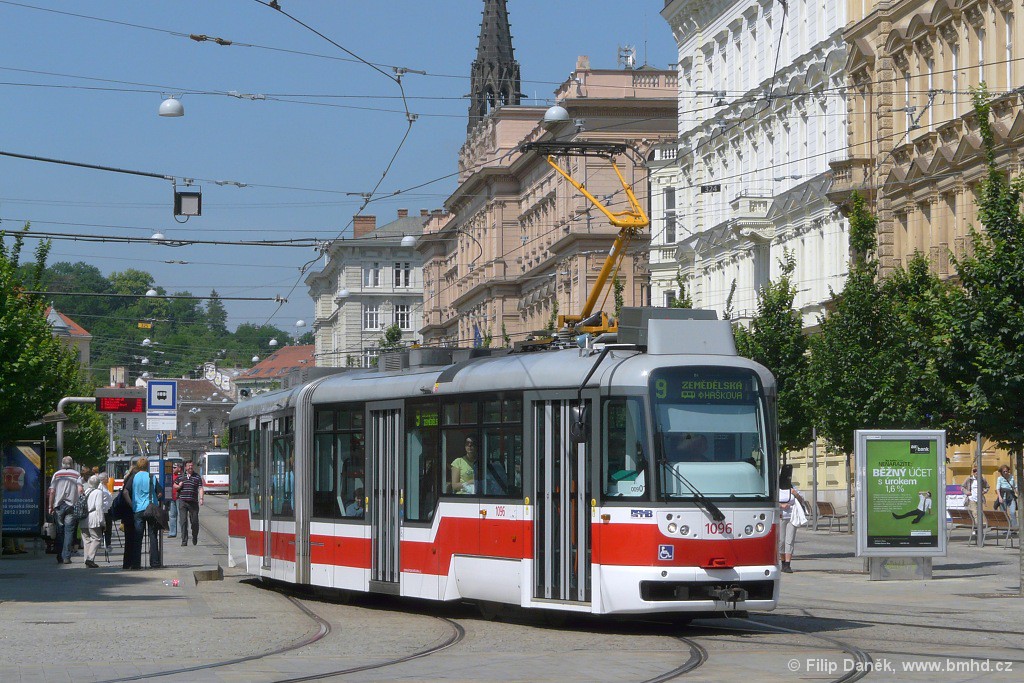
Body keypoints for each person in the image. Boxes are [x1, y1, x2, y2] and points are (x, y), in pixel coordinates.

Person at [47, 456, 83, 565]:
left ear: (62, 464)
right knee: (69, 531)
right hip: (71, 506)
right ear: (71, 464)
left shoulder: (57, 475)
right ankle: (67, 557)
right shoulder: (76, 474)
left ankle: (59, 556)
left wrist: (50, 506)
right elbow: (80, 489)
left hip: (58, 505)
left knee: (59, 531)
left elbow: (52, 491)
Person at [128, 456, 162, 569]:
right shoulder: (151, 477)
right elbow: (160, 492)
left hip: (138, 509)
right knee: (153, 536)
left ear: (138, 466)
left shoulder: (134, 477)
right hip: (150, 509)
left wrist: (132, 504)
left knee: (138, 537)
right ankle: (155, 562)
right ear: (147, 466)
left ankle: (136, 564)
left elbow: (126, 492)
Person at [778, 464, 804, 574]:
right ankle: (783, 561)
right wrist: (781, 505)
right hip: (780, 517)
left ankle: (787, 564)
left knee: (790, 540)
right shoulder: (776, 487)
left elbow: (801, 500)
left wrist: (795, 494)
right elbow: (772, 501)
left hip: (792, 517)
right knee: (781, 541)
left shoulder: (792, 487)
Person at [174, 459, 204, 546]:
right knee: (183, 521)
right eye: (189, 466)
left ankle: (194, 536)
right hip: (182, 501)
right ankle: (184, 540)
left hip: (193, 502)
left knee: (194, 522)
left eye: (191, 465)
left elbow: (200, 488)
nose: (191, 467)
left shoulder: (197, 477)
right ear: (186, 467)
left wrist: (201, 498)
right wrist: (178, 486)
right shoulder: (181, 476)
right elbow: (174, 485)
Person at [82, 475, 106, 568]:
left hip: (84, 518)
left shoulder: (86, 491)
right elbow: (99, 507)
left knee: (86, 540)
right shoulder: (98, 492)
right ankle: (90, 559)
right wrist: (102, 521)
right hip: (93, 517)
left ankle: (87, 559)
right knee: (96, 538)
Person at [166, 463, 181, 538]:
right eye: (172, 467)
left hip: (179, 498)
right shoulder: (169, 476)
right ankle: (172, 532)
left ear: (179, 468)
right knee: (172, 515)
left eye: (175, 467)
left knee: (181, 515)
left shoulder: (181, 477)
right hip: (172, 498)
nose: (173, 469)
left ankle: (183, 532)